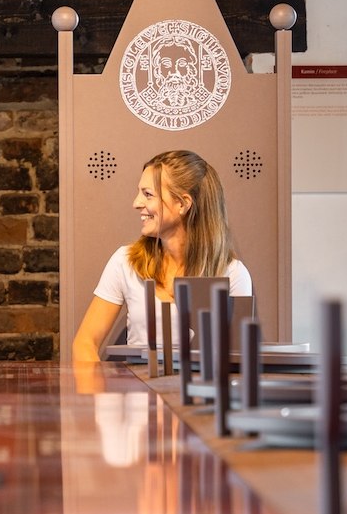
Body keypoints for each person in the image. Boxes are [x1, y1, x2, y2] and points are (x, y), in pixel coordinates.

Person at [72, 149, 251, 362]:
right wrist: (97, 390)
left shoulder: (232, 273)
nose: (136, 203)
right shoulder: (125, 261)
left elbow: (237, 359)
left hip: (200, 394)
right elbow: (85, 342)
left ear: (183, 203)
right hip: (137, 392)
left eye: (148, 194)